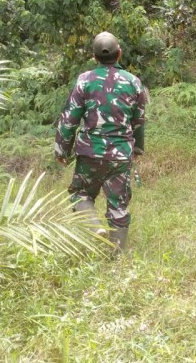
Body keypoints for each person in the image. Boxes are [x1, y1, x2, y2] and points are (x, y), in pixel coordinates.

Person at [55, 31, 147, 253]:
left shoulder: (84, 80)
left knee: (80, 194)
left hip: (89, 153)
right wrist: (138, 149)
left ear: (94, 57)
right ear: (119, 54)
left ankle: (95, 227)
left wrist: (62, 151)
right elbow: (139, 120)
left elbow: (69, 120)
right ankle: (117, 257)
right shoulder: (134, 82)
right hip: (120, 155)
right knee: (118, 205)